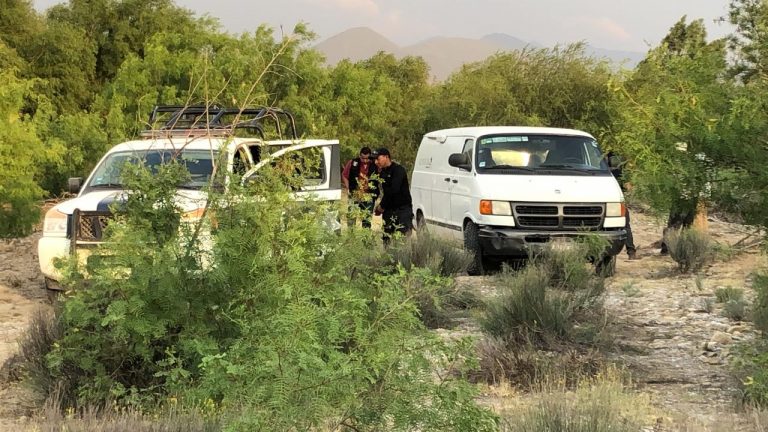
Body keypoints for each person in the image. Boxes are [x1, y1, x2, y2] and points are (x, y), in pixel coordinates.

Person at [372, 147, 413, 244]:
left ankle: (404, 258)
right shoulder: (382, 172)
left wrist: (381, 206)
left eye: (378, 159)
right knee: (387, 238)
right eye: (374, 159)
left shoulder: (398, 170)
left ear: (386, 157)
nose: (376, 162)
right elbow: (385, 192)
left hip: (402, 210)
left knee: (403, 239)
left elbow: (393, 190)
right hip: (389, 210)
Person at [608, 152, 638, 260]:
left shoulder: (602, 169)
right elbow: (628, 187)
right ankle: (631, 251)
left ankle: (631, 251)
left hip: (606, 201)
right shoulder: (619, 171)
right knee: (625, 226)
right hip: (615, 201)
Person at [342, 146, 377, 228]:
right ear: (359, 155)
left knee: (366, 220)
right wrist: (348, 188)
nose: (365, 160)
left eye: (367, 158)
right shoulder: (353, 162)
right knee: (351, 218)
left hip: (368, 196)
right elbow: (344, 175)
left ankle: (365, 239)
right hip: (355, 195)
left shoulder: (374, 164)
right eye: (363, 158)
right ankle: (351, 237)